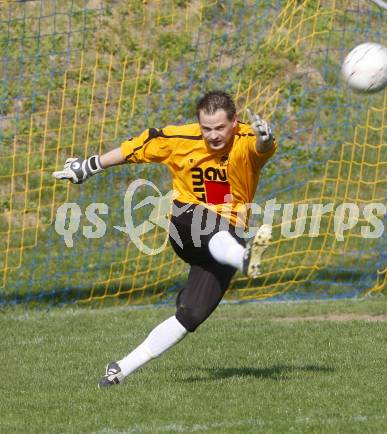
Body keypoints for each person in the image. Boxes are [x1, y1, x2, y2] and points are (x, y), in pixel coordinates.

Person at [53, 90, 277, 388]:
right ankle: (244, 259)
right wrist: (89, 166)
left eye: (220, 127)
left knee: (191, 316)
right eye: (206, 128)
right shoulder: (180, 140)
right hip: (187, 223)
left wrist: (266, 138)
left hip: (230, 235)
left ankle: (120, 369)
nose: (212, 135)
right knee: (207, 223)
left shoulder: (247, 138)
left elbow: (262, 147)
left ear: (235, 122)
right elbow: (136, 148)